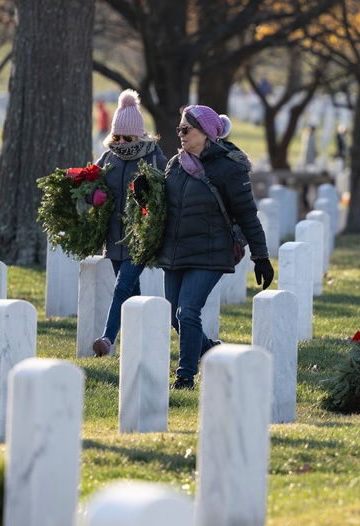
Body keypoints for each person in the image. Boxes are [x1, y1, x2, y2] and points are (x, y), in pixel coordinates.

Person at [158, 104, 273, 390]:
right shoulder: (175, 164)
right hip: (176, 251)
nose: (181, 135)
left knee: (188, 312)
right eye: (179, 129)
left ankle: (185, 376)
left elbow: (247, 214)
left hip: (210, 252)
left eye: (187, 129)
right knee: (174, 316)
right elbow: (164, 206)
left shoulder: (229, 168)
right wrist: (145, 198)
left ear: (206, 133)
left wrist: (261, 257)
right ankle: (211, 352)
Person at [92, 89, 168, 357]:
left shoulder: (153, 156)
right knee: (132, 294)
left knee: (122, 287)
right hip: (114, 236)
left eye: (127, 137)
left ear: (139, 135)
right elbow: (94, 182)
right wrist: (94, 195)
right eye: (117, 136)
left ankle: (107, 339)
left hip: (140, 236)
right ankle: (150, 338)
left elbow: (164, 192)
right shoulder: (109, 157)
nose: (121, 141)